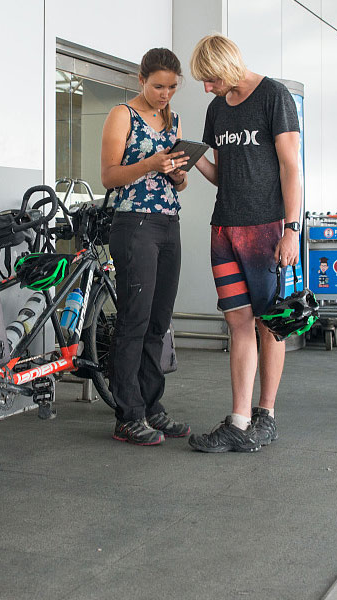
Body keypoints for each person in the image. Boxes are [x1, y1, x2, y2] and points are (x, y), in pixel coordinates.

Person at [188, 33, 302, 453]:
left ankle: (265, 416)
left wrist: (293, 229)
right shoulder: (217, 109)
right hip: (225, 229)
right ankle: (238, 420)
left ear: (230, 66)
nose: (207, 88)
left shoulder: (274, 96)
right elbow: (222, 174)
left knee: (270, 324)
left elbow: (291, 167)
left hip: (268, 229)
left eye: (211, 79)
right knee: (237, 322)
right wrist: (194, 155)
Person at [100, 48, 192, 446]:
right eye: (158, 86)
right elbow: (108, 176)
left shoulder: (173, 120)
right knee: (134, 320)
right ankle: (128, 414)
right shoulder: (122, 114)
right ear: (141, 80)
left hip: (168, 223)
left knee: (159, 321)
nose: (165, 94)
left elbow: (182, 181)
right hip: (133, 223)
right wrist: (151, 164)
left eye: (172, 87)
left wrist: (177, 174)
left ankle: (152, 407)